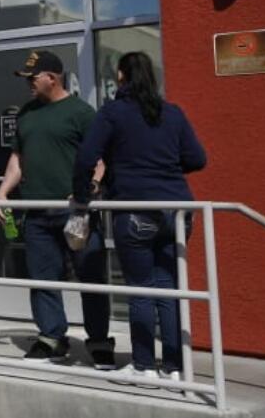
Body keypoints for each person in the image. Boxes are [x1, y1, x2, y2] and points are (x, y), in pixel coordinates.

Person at [74, 51, 207, 384]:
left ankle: (144, 364)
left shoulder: (114, 112)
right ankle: (175, 367)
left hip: (134, 210)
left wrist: (82, 195)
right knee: (169, 288)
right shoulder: (172, 113)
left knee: (141, 290)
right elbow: (197, 158)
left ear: (121, 76)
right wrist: (166, 170)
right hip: (177, 211)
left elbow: (86, 157)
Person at [0, 50, 115, 367]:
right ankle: (51, 337)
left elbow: (101, 161)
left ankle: (99, 340)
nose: (28, 85)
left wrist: (90, 190)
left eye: (32, 78)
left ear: (52, 77)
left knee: (91, 277)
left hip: (75, 212)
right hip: (37, 213)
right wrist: (4, 192)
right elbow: (18, 160)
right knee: (43, 278)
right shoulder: (26, 114)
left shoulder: (81, 113)